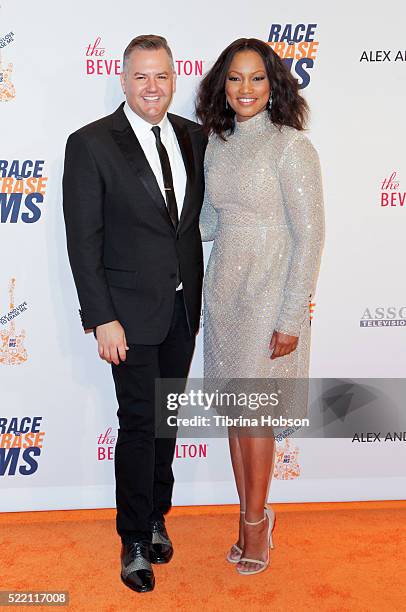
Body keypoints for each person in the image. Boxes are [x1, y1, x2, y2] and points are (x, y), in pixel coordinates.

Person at [62, 35, 206, 593]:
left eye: (162, 76)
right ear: (122, 80)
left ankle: (157, 516)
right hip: (126, 315)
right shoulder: (91, 144)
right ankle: (134, 540)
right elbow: (83, 241)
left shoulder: (194, 138)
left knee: (166, 422)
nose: (153, 87)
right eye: (141, 77)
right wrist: (102, 318)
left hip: (181, 310)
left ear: (175, 79)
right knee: (139, 424)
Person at [196, 38, 324, 576]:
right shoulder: (216, 144)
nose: (244, 89)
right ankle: (248, 516)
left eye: (256, 78)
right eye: (234, 79)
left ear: (273, 84)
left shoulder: (290, 146)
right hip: (225, 288)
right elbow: (207, 221)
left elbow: (311, 234)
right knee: (235, 413)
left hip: (271, 291)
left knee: (258, 416)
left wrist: (291, 315)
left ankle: (255, 524)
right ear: (221, 87)